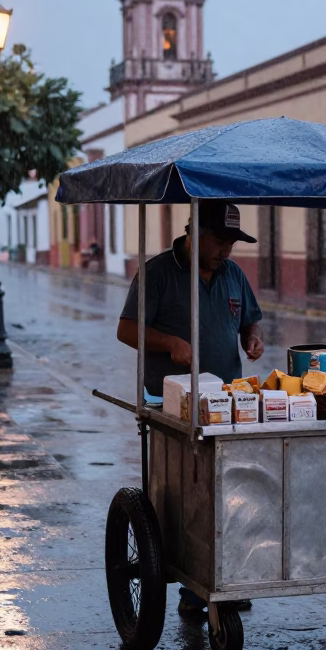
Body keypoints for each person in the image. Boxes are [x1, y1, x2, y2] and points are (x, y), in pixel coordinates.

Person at [116, 201, 265, 618]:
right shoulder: (158, 272)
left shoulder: (233, 275)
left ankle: (225, 578)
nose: (227, 251)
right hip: (172, 407)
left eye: (232, 242)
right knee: (191, 498)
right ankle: (193, 587)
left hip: (225, 407)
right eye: (220, 240)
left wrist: (252, 338)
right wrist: (170, 343)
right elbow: (126, 329)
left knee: (234, 494)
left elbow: (250, 319)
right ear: (193, 231)